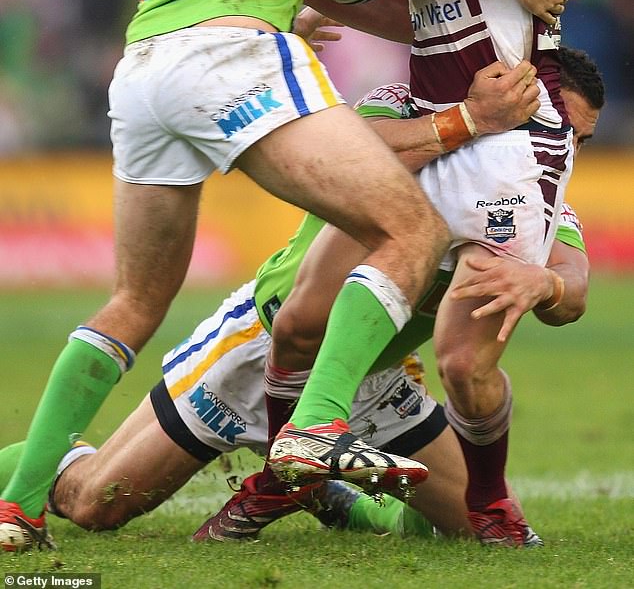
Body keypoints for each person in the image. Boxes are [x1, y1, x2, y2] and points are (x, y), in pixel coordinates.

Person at [0, 0, 575, 553]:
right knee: (406, 232)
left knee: (133, 299)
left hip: (149, 56)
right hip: (236, 73)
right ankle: (300, 437)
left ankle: (22, 509)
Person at [2, 44, 599, 544]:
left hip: (374, 380)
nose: (567, 146)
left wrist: (543, 281)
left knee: (470, 529)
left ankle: (334, 500)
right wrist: (466, 122)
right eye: (563, 124)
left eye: (582, 139)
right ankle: (31, 464)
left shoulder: (537, 200)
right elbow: (345, 152)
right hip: (260, 352)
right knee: (95, 506)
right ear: (525, 90)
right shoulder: (409, 109)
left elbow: (574, 285)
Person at [260, 0, 579, 548]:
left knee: (465, 364)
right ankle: (293, 466)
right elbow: (417, 15)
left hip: (509, 140)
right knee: (300, 317)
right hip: (446, 118)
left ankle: (492, 502)